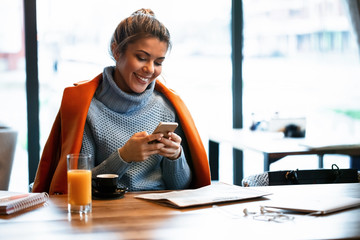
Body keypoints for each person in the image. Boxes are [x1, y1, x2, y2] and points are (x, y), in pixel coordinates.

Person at [32, 9, 211, 194]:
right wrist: (123, 157)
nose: (150, 69)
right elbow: (79, 188)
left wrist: (176, 157)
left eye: (158, 62)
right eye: (141, 58)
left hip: (160, 217)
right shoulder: (86, 108)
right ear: (116, 51)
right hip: (106, 216)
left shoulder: (167, 107)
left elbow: (183, 189)